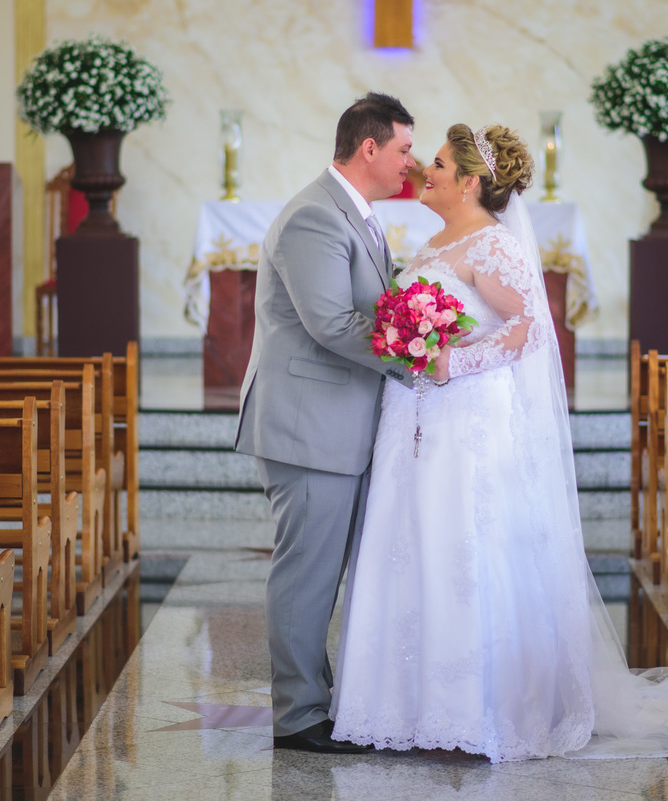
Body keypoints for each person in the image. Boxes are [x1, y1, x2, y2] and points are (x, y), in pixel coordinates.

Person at [329, 124, 668, 761]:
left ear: (469, 182)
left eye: (439, 164)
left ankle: (475, 710)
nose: (426, 171)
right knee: (410, 538)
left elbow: (530, 330)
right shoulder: (435, 240)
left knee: (462, 543)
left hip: (465, 419)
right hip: (414, 418)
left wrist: (454, 363)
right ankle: (401, 705)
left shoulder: (492, 244)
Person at [235, 92, 418, 754]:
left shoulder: (355, 213)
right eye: (403, 148)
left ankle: (317, 697)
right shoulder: (315, 216)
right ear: (369, 148)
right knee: (306, 575)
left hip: (334, 424)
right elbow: (333, 324)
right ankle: (297, 716)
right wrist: (419, 355)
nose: (411, 162)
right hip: (308, 427)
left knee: (322, 574)